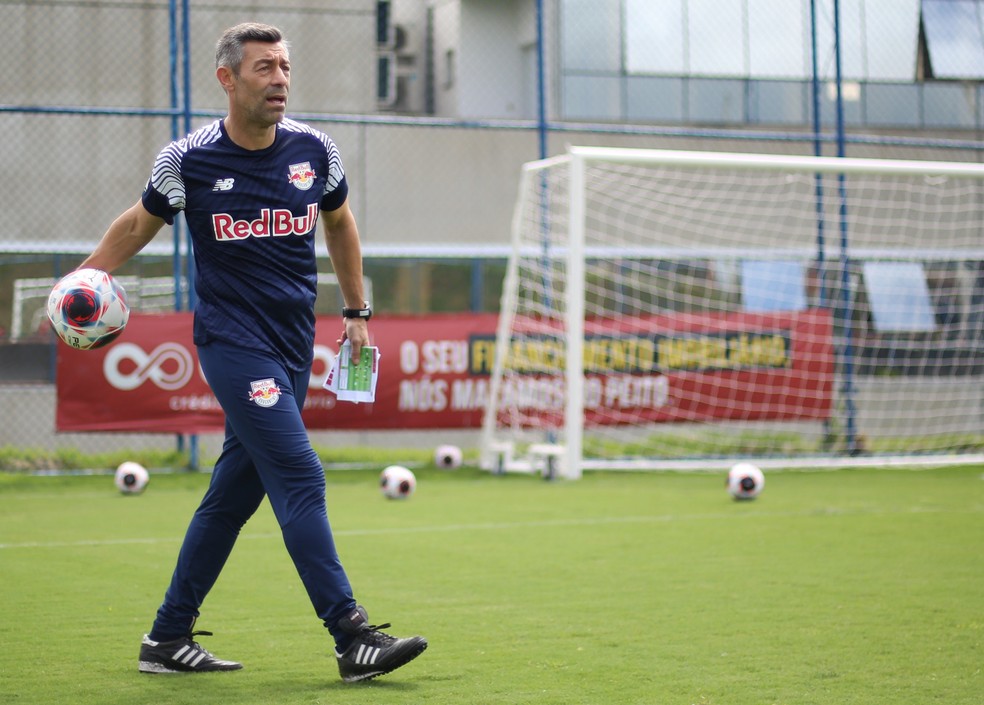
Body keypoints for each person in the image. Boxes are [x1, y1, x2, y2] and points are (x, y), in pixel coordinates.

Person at [78, 22, 427, 682]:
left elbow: (341, 222)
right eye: (265, 68)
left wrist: (355, 311)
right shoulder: (187, 159)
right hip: (234, 347)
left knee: (231, 499)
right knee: (300, 473)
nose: (281, 80)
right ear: (228, 78)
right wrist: (83, 279)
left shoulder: (316, 151)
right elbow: (135, 225)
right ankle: (351, 635)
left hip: (296, 347)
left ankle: (167, 637)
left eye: (286, 67)